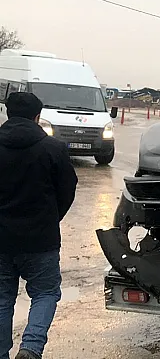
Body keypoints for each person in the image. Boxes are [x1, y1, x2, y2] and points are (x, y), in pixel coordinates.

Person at [0, 92, 78, 359]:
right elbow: (68, 190)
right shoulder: (53, 149)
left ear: (8, 113)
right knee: (45, 293)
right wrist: (50, 218)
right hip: (40, 241)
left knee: (1, 298)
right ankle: (31, 349)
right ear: (37, 117)